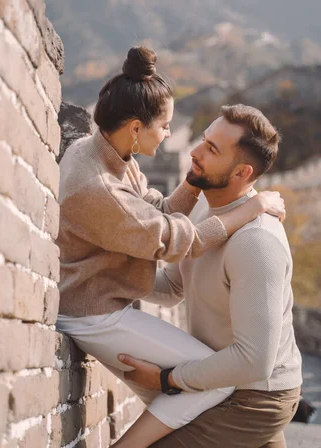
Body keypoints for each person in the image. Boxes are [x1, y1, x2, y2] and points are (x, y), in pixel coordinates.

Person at [56, 47, 285, 448]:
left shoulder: (111, 155)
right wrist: (251, 206)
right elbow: (174, 240)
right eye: (164, 126)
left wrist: (196, 178)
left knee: (197, 390)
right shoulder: (97, 184)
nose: (168, 135)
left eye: (209, 148)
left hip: (103, 302)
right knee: (212, 387)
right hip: (93, 311)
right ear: (134, 128)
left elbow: (155, 212)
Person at [119, 104, 302, 448]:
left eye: (212, 150)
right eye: (204, 140)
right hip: (221, 379)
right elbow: (174, 286)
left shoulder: (256, 242)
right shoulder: (205, 206)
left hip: (255, 398)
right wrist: (110, 275)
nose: (195, 152)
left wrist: (167, 380)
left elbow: (254, 361)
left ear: (241, 173)